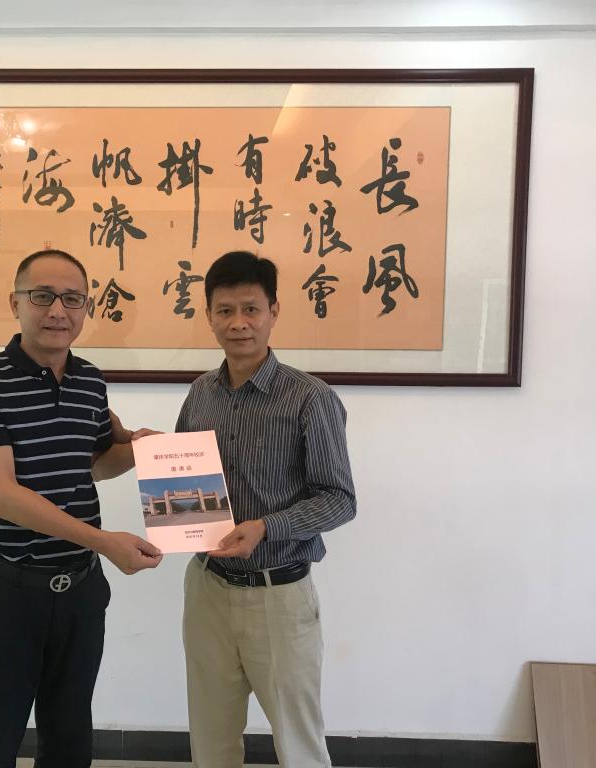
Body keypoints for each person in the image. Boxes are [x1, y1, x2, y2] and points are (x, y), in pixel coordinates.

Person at [0, 248, 162, 768]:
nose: (58, 311)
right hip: (7, 595)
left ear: (86, 307)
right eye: (42, 296)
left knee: (70, 744)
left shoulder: (89, 380)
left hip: (80, 593)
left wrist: (145, 451)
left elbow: (94, 465)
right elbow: (2, 496)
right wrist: (104, 542)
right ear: (15, 303)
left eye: (72, 299)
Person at [175, 250, 357, 768]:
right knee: (210, 738)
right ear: (209, 316)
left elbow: (340, 500)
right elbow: (184, 478)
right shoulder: (200, 393)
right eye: (225, 310)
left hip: (279, 596)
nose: (238, 323)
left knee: (299, 745)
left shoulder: (310, 398)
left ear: (274, 311)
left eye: (251, 309)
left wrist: (266, 527)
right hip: (208, 588)